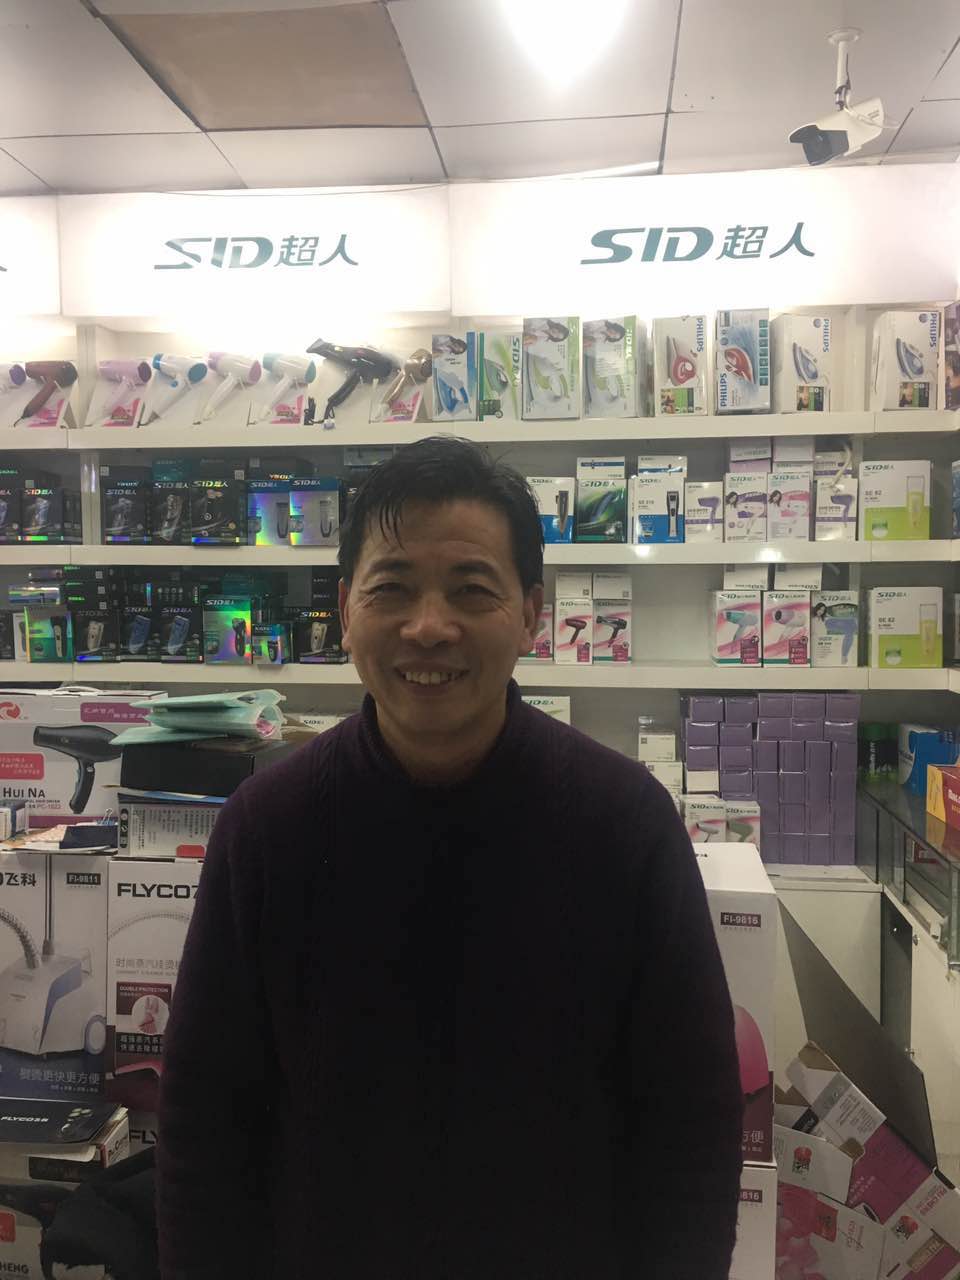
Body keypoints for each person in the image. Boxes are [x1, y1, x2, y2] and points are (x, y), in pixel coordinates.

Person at [156, 436, 743, 1280]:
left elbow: (692, 1125)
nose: (428, 627)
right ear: (346, 609)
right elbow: (205, 1127)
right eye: (391, 588)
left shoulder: (625, 825)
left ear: (532, 614)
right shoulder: (266, 829)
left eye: (471, 589)